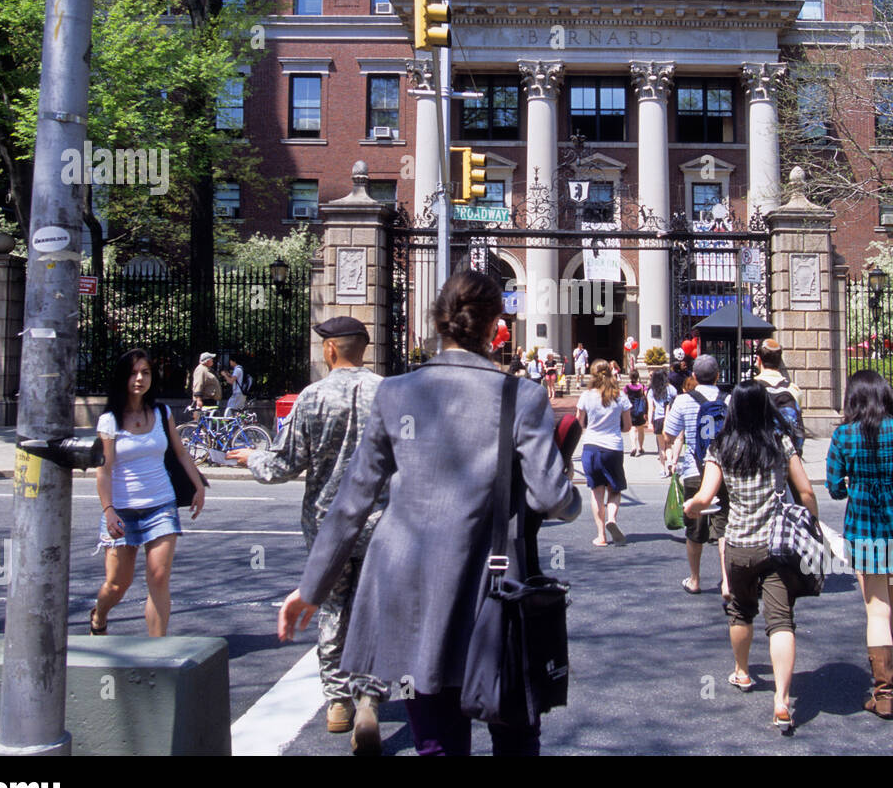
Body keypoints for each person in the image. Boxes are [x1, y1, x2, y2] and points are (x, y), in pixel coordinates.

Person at [277, 270, 580, 756]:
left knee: (435, 737)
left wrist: (310, 588)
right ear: (494, 326)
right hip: (493, 585)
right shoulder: (522, 396)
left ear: (438, 322)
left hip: (409, 580)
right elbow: (553, 498)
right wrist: (570, 492)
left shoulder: (396, 392)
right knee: (515, 731)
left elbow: (352, 501)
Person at [226, 316, 388, 754]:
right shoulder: (390, 394)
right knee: (373, 612)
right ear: (364, 350)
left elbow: (284, 464)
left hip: (328, 526)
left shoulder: (313, 398)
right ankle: (370, 695)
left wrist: (251, 459)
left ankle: (338, 701)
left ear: (331, 350)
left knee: (332, 608)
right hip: (380, 523)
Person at [682, 381, 818, 732]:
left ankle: (742, 672)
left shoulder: (721, 447)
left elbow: (706, 494)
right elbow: (805, 490)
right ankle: (782, 700)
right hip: (776, 543)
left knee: (740, 610)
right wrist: (813, 524)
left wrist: (692, 507)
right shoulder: (780, 443)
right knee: (781, 620)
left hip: (739, 542)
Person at [825, 369, 893, 720]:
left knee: (877, 608)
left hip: (865, 533)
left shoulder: (843, 435)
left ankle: (883, 692)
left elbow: (833, 487)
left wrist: (853, 484)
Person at [92, 348, 206, 637]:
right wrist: (108, 511)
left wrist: (198, 487)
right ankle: (99, 616)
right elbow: (103, 470)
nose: (140, 378)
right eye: (133, 373)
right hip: (122, 511)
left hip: (160, 506)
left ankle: (157, 652)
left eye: (145, 372)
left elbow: (180, 453)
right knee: (117, 584)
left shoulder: (162, 412)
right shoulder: (109, 421)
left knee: (158, 577)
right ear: (122, 378)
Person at [664, 355, 730, 597]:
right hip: (723, 471)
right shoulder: (729, 399)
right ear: (718, 376)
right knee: (723, 528)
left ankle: (695, 579)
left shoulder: (683, 401)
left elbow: (669, 433)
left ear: (693, 376)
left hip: (694, 470)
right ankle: (727, 581)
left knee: (694, 530)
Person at [576, 359, 633, 546]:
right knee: (615, 489)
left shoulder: (586, 396)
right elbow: (627, 426)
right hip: (613, 447)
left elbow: (578, 422)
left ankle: (601, 535)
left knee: (596, 492)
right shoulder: (620, 397)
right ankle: (612, 518)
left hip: (591, 446)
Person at [754, 338, 806, 456]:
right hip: (787, 457)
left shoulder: (749, 389)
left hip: (758, 457)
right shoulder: (794, 390)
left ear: (759, 359)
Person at [648, 368, 677, 478]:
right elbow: (676, 398)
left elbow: (650, 408)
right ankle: (670, 460)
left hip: (658, 419)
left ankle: (662, 468)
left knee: (661, 446)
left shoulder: (652, 391)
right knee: (669, 444)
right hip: (669, 418)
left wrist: (650, 422)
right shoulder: (670, 389)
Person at [623, 368, 649, 456]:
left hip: (631, 409)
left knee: (632, 428)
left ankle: (633, 446)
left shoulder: (627, 387)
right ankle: (641, 447)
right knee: (641, 429)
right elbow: (646, 397)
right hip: (640, 409)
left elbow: (624, 397)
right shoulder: (642, 386)